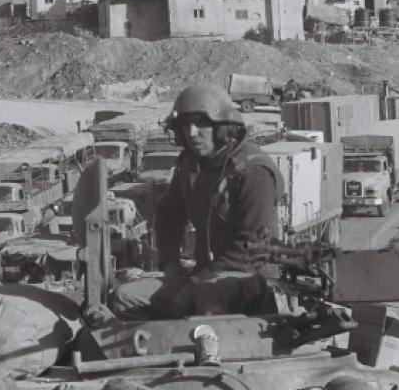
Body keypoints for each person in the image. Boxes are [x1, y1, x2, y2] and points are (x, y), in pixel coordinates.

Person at [109, 83, 284, 320]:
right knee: (125, 297)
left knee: (207, 297)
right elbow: (170, 216)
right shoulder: (190, 164)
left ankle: (212, 354)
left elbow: (251, 250)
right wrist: (170, 262)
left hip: (250, 278)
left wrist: (194, 284)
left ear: (223, 128)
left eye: (201, 123)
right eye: (184, 125)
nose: (191, 133)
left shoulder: (253, 172)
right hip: (204, 276)